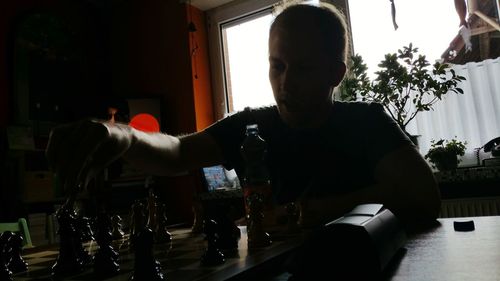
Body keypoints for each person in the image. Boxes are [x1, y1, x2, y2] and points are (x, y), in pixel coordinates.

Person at [45, 3, 440, 231]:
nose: (285, 83)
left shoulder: (366, 121)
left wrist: (325, 209)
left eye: (302, 68)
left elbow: (424, 198)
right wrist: (125, 137)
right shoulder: (252, 126)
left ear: (336, 74)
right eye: (277, 66)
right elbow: (179, 152)